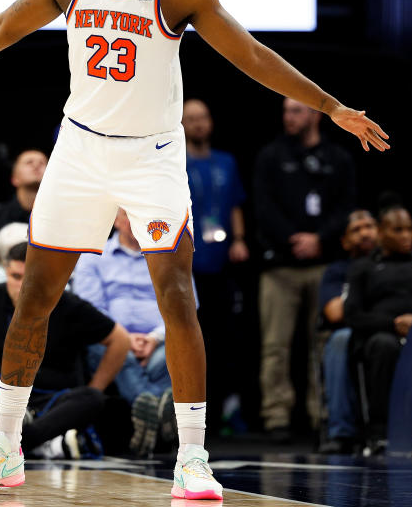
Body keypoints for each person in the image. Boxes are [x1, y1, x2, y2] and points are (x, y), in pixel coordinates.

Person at [0, 0, 388, 499]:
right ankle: (5, 446)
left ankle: (193, 457)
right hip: (82, 147)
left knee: (177, 296)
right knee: (35, 296)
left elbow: (250, 54)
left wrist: (330, 106)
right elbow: (5, 28)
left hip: (153, 153)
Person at [0, 242, 130, 458]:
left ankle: (1, 443)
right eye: (16, 277)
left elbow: (120, 340)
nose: (22, 287)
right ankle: (43, 444)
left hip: (50, 400)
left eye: (29, 278)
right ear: (5, 273)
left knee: (92, 398)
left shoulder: (67, 304)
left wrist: (96, 386)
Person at [254, 98, 357, 441]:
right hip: (280, 267)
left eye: (296, 110)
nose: (289, 117)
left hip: (325, 266)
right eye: (285, 111)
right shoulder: (270, 156)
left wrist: (320, 238)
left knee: (323, 343)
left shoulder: (338, 158)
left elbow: (346, 207)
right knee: (275, 345)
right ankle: (276, 415)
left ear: (315, 114)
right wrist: (291, 239)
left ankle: (323, 413)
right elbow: (263, 207)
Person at [74, 208, 191, 456]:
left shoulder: (169, 256)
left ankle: (150, 412)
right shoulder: (93, 256)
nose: (134, 220)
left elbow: (185, 308)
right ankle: (161, 414)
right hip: (111, 339)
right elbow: (90, 310)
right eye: (128, 214)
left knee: (179, 351)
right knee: (112, 350)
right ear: (115, 219)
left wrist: (155, 337)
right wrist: (124, 337)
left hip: (160, 341)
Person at [343, 206, 412, 451]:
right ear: (381, 233)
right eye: (398, 230)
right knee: (384, 345)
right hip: (381, 337)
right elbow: (352, 315)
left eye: (410, 229)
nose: (406, 235)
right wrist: (393, 324)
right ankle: (379, 432)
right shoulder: (364, 268)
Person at [181, 98, 248, 430]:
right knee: (194, 334)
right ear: (180, 123)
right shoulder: (175, 160)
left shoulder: (227, 161)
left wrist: (238, 239)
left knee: (225, 338)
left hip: (222, 261)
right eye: (191, 118)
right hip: (189, 261)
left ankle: (225, 409)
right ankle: (192, 413)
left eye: (202, 117)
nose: (198, 123)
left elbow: (235, 204)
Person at [317, 210, 378, 454]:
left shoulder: (393, 263)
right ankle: (342, 431)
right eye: (357, 229)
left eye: (370, 226)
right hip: (352, 331)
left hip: (387, 328)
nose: (365, 233)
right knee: (340, 341)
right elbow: (334, 312)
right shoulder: (337, 271)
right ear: (344, 241)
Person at [0, 150, 47, 235]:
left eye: (42, 163)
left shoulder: (58, 218)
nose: (36, 166)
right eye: (29, 162)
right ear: (14, 178)